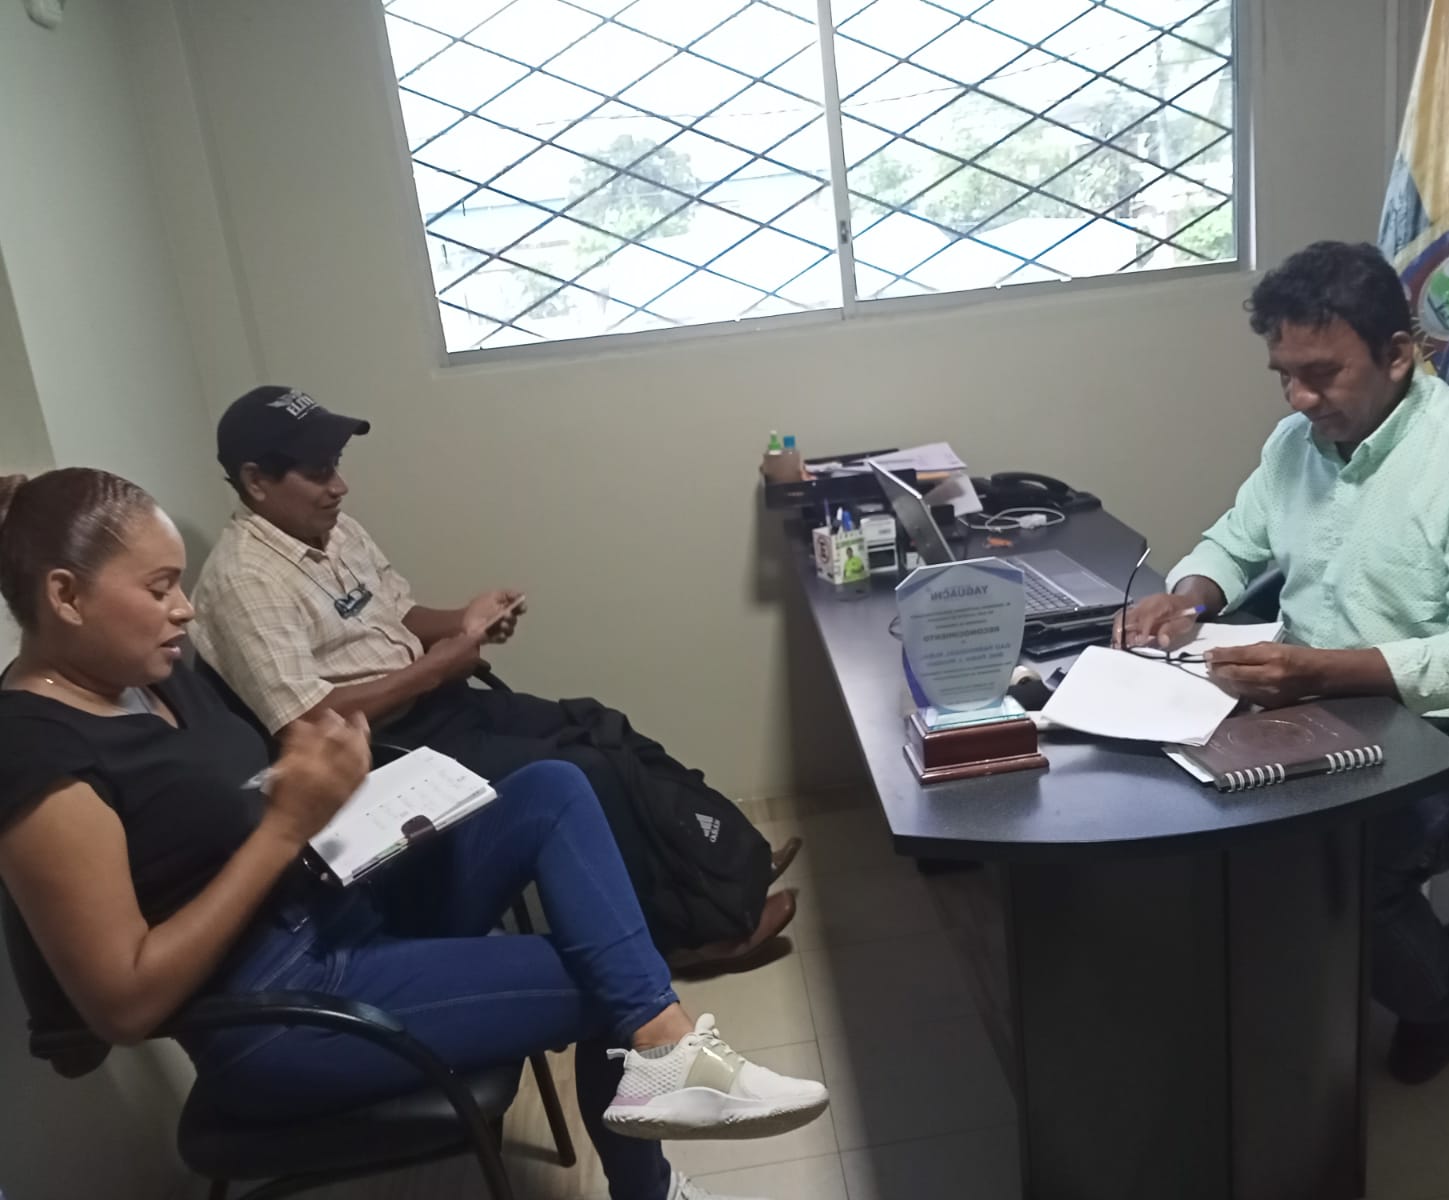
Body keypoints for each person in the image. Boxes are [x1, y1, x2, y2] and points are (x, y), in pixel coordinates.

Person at [0, 469, 829, 1200]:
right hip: (275, 1012)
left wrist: (329, 786)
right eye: (158, 589)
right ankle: (654, 1147)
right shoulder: (38, 756)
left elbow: (243, 792)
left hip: (335, 903)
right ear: (66, 596)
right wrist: (285, 827)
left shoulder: (151, 671)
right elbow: (125, 1002)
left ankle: (668, 1054)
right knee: (606, 984)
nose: (183, 607)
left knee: (552, 786)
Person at [1116, 241, 1449, 1085]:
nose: (1299, 398)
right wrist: (1191, 598)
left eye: (1321, 375)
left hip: (1440, 724)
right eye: (1283, 375)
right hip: (1306, 696)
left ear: (1398, 354)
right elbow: (1235, 540)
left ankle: (1446, 989)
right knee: (1167, 797)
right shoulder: (1298, 441)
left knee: (1341, 869)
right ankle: (1272, 982)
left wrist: (1318, 671)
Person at [187, 387, 801, 972]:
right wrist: (434, 668)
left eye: (337, 465)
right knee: (586, 771)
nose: (339, 485)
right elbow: (306, 720)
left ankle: (727, 869)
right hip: (384, 754)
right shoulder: (245, 580)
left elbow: (397, 613)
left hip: (437, 702)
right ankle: (680, 937)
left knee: (599, 725)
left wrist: (467, 621)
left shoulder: (334, 529)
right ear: (256, 481)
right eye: (319, 471)